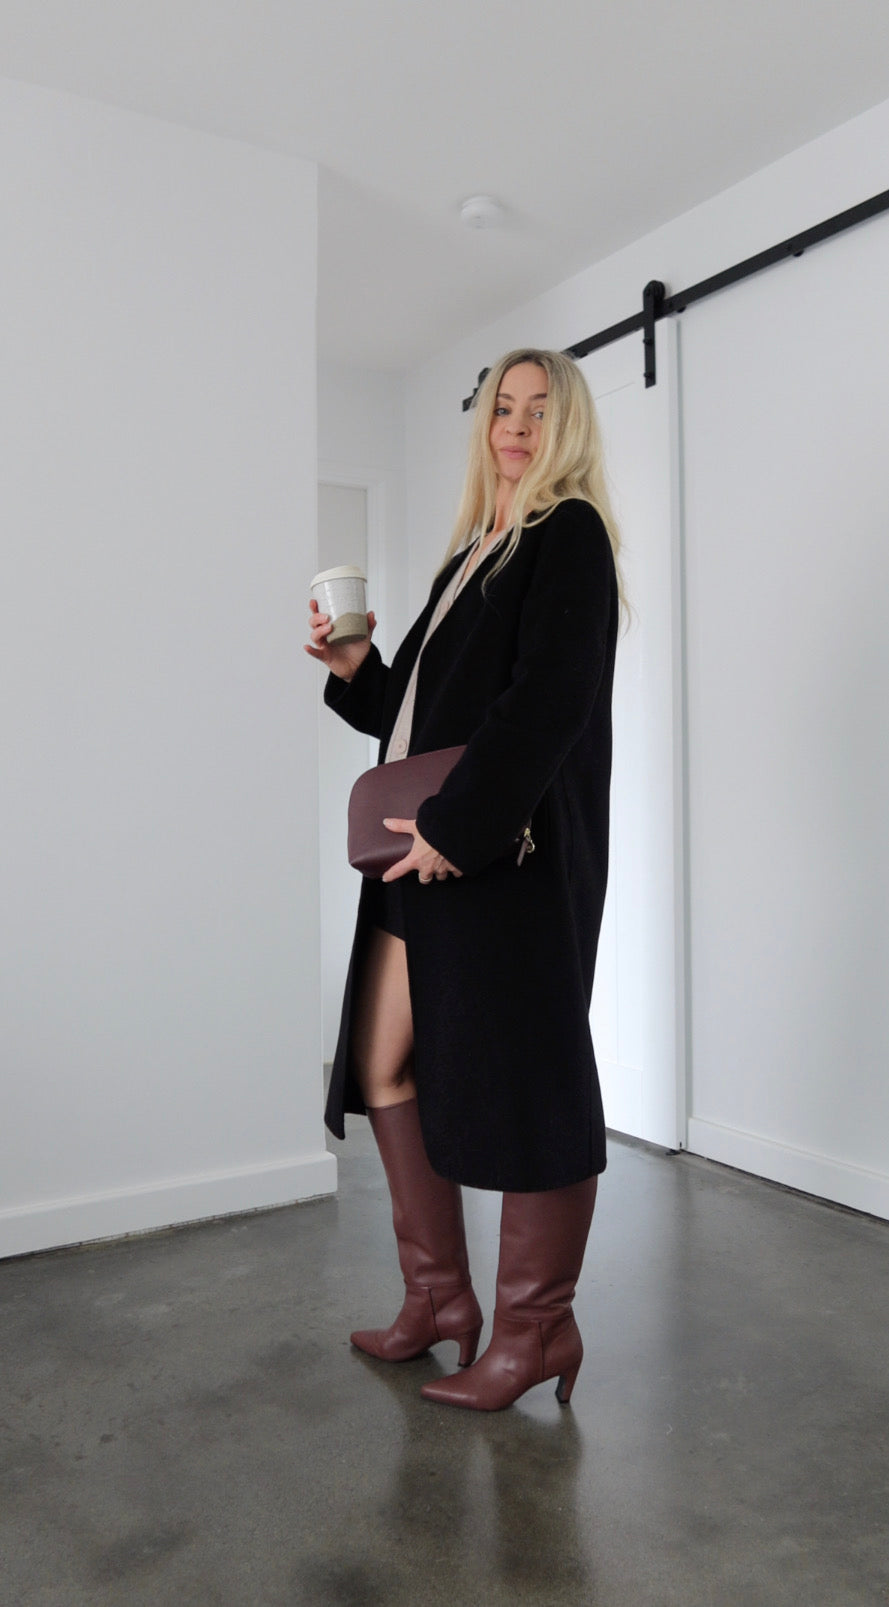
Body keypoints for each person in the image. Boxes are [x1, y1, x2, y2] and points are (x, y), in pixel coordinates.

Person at [305, 348, 622, 1411]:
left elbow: (548, 702)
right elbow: (426, 716)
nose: (516, 427)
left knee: (535, 1080)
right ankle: (439, 1297)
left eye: (538, 410)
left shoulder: (567, 534)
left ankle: (536, 1328)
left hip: (505, 861)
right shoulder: (473, 550)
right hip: (427, 853)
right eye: (502, 408)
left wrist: (462, 826)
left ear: (564, 427)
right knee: (380, 1057)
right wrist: (359, 672)